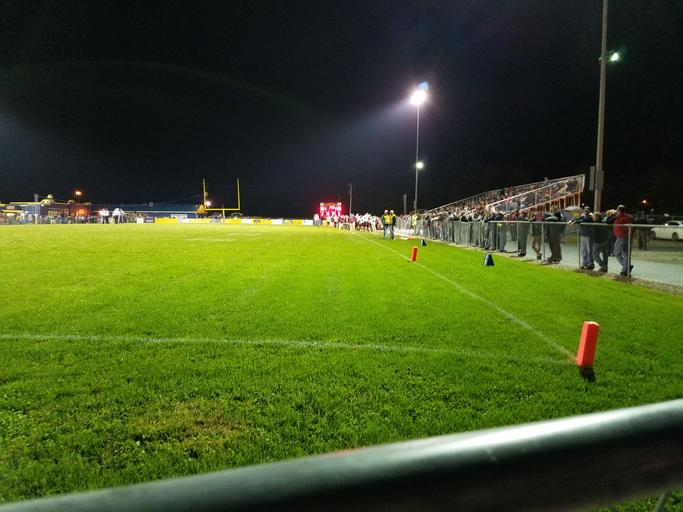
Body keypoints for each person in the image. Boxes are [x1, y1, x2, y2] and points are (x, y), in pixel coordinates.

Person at [612, 204, 634, 277]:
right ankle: (626, 268)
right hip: (628, 236)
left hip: (621, 236)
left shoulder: (619, 216)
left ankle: (626, 268)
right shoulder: (629, 217)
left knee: (616, 253)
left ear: (618, 210)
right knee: (626, 254)